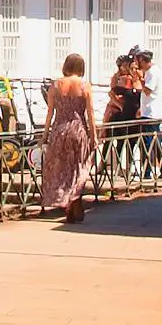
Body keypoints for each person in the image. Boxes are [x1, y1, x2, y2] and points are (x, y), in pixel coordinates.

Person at [42, 53, 99, 223]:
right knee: (80, 167)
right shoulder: (84, 86)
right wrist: (93, 135)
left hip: (59, 129)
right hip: (78, 129)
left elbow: (50, 112)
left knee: (62, 168)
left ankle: (68, 202)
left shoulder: (55, 85)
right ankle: (75, 201)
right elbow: (90, 113)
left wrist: (45, 135)